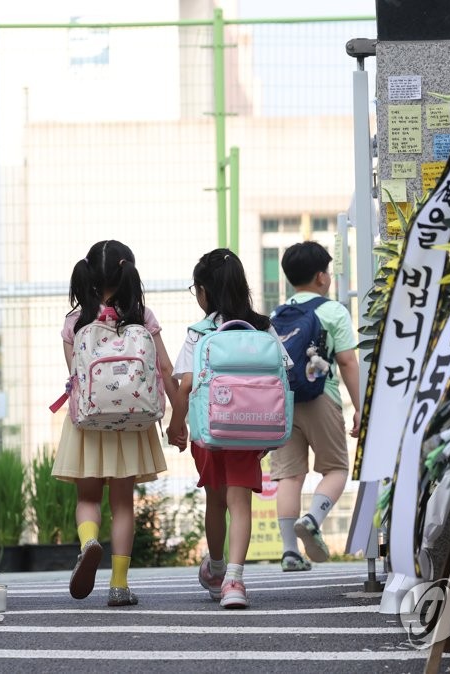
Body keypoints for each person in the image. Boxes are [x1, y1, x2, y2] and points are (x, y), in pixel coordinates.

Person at [53, 240, 179, 606]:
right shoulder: (142, 316)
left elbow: (76, 375)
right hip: (132, 423)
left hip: (88, 423)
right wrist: (177, 419)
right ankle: (119, 585)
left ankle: (89, 541)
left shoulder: (75, 322)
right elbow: (166, 370)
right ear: (129, 272)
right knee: (123, 503)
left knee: (88, 497)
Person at [166, 248, 290, 609]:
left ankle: (217, 568)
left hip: (210, 431)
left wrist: (177, 425)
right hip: (250, 431)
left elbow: (186, 385)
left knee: (216, 501)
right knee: (240, 503)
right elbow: (282, 375)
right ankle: (235, 581)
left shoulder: (200, 332)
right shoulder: (263, 327)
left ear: (204, 291)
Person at [272, 241, 360, 571]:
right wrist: (360, 408)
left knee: (289, 477)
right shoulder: (332, 310)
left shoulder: (276, 315)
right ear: (322, 277)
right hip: (323, 397)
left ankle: (289, 551)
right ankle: (313, 518)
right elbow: (348, 362)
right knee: (336, 468)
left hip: (284, 402)